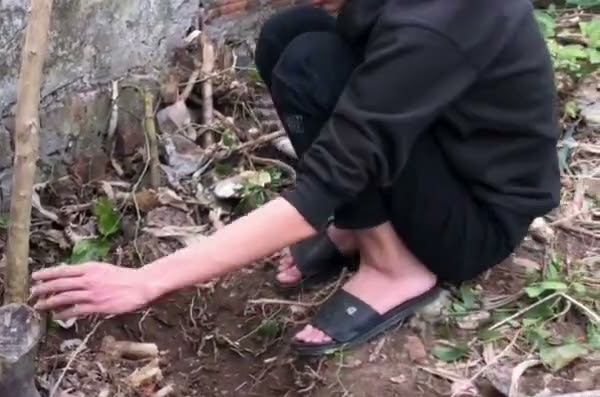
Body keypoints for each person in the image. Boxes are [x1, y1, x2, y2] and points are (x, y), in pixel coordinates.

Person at [31, 0, 561, 355]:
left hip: (476, 220)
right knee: (289, 36)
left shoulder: (437, 25)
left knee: (310, 62)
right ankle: (364, 227)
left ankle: (395, 267)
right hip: (445, 151)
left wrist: (147, 280)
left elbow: (317, 191)